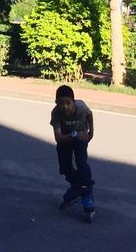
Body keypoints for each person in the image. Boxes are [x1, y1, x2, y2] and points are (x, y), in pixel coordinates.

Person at [50, 84, 95, 213]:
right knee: (64, 168)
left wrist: (91, 131)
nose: (65, 107)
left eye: (68, 103)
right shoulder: (56, 113)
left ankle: (87, 193)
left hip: (81, 138)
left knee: (82, 163)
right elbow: (58, 138)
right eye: (60, 103)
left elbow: (89, 114)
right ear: (56, 103)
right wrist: (74, 135)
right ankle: (77, 186)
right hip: (66, 139)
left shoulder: (81, 107)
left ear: (73, 102)